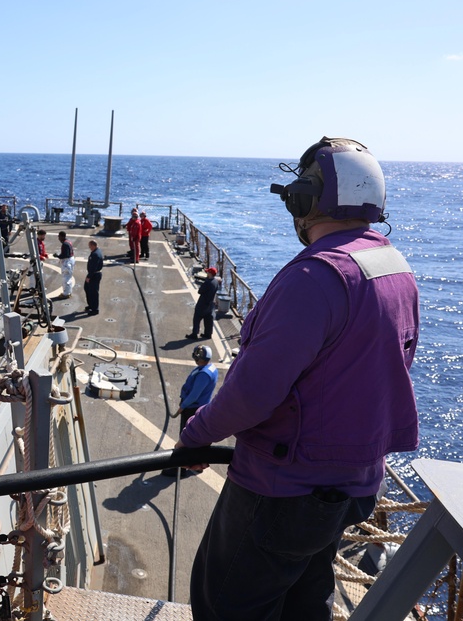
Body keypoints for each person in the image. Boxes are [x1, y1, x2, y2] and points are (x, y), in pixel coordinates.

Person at [178, 137, 420, 621]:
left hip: (284, 490)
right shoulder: (396, 269)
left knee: (225, 604)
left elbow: (253, 393)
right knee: (306, 602)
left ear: (307, 199)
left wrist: (196, 436)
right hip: (354, 487)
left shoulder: (314, 277)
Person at [162, 345, 219, 477]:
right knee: (197, 438)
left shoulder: (203, 374)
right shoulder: (210, 368)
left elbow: (194, 395)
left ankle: (179, 469)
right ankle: (198, 464)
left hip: (191, 408)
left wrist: (183, 406)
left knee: (186, 438)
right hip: (198, 406)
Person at [187, 266, 220, 340]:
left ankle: (195, 334)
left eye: (208, 272)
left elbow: (200, 291)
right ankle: (208, 334)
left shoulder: (207, 283)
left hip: (203, 304)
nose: (207, 273)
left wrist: (204, 284)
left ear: (210, 274)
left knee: (197, 318)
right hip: (210, 304)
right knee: (208, 320)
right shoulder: (215, 282)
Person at [83, 239, 103, 315]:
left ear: (93, 245)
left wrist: (89, 276)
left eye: (90, 246)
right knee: (87, 288)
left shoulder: (95, 254)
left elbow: (94, 267)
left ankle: (95, 309)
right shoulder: (96, 252)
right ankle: (91, 305)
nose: (89, 248)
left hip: (94, 275)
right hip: (93, 274)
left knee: (94, 292)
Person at [55, 231, 75, 299]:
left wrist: (57, 256)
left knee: (65, 278)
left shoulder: (65, 244)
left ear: (62, 236)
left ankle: (66, 294)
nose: (58, 238)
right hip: (70, 260)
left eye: (59, 236)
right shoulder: (68, 242)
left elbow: (65, 255)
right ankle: (68, 292)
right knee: (68, 277)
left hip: (67, 261)